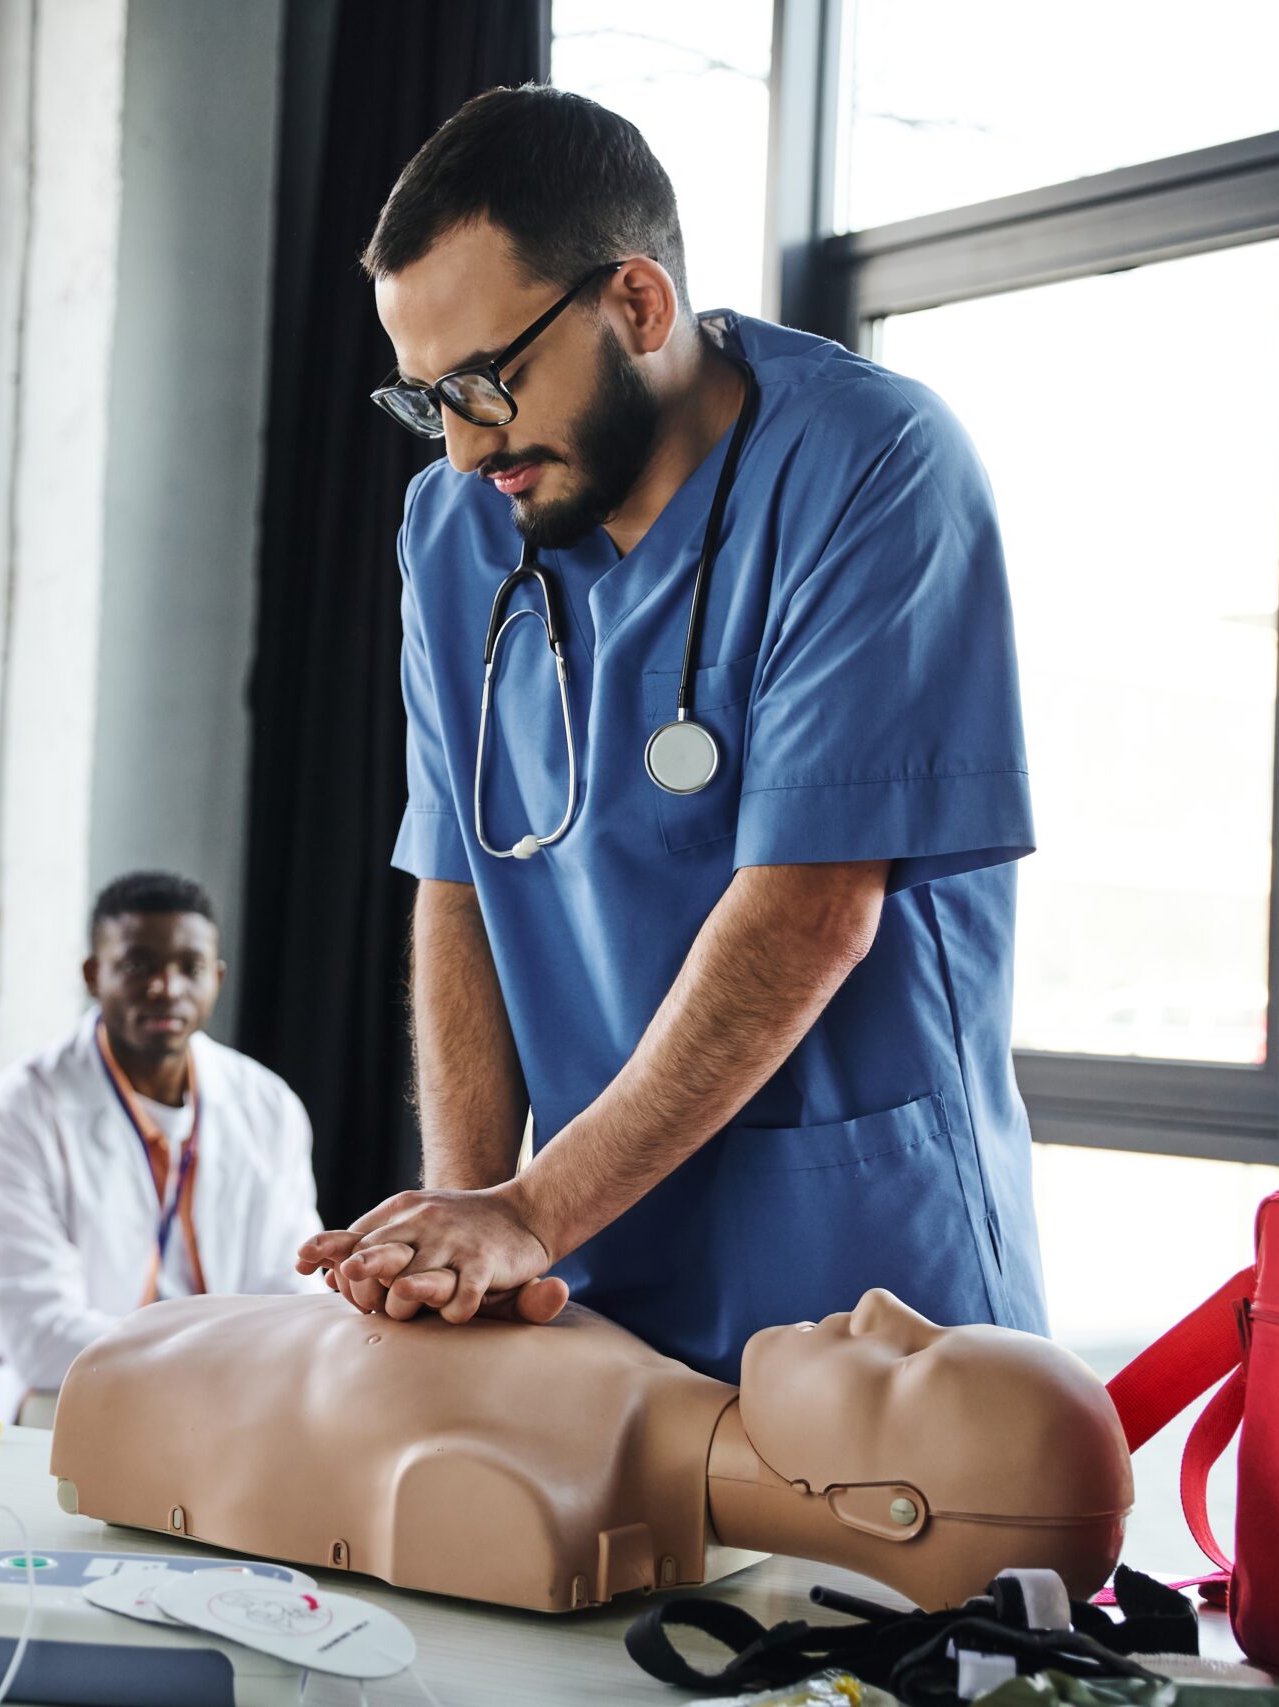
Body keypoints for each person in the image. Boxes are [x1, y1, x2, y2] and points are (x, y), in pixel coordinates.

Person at [300, 86, 1045, 1381]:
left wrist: (527, 1211)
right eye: (429, 400)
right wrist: (458, 1228)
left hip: (865, 1282)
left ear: (636, 305)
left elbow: (813, 909)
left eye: (487, 381)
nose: (468, 448)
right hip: (588, 1277)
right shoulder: (454, 528)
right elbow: (459, 879)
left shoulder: (872, 466)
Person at [0, 871, 326, 1425]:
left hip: (227, 1388)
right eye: (138, 965)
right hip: (57, 1385)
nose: (166, 986)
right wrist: (213, 1365)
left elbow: (293, 1290)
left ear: (218, 978)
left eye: (191, 967)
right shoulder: (15, 1111)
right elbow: (41, 1338)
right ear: (94, 974)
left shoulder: (268, 1105)